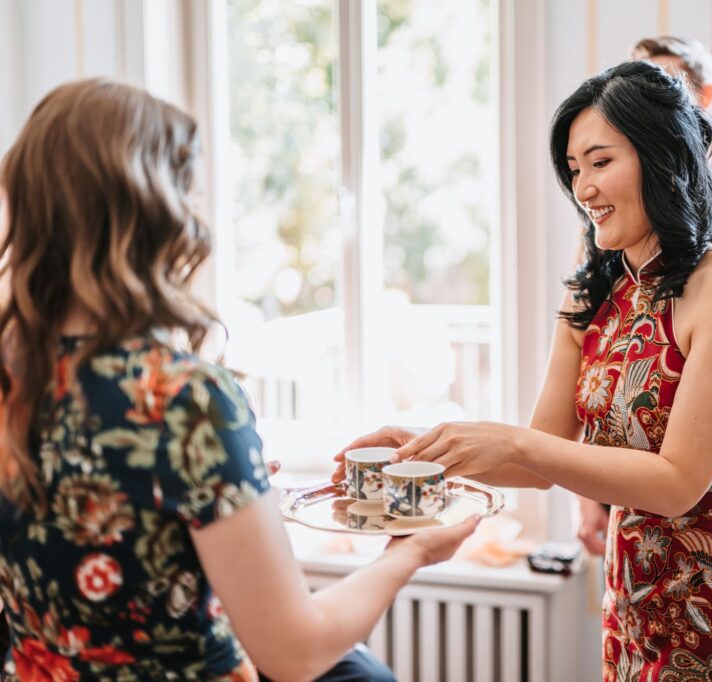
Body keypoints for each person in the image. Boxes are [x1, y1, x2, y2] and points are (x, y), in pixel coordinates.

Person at [0, 78, 478, 681]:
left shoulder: (14, 376)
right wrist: (411, 551)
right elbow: (295, 652)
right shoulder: (184, 399)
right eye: (187, 193)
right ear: (153, 212)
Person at [340, 61, 712, 681]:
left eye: (601, 162)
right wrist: (421, 452)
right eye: (574, 170)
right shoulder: (598, 291)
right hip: (631, 601)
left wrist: (515, 440)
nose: (584, 188)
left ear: (663, 157)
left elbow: (677, 482)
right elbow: (537, 460)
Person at [576, 36, 712, 557]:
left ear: (704, 99)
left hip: (707, 506)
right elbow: (597, 355)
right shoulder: (610, 233)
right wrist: (584, 494)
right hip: (626, 499)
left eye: (666, 88)